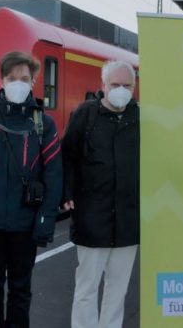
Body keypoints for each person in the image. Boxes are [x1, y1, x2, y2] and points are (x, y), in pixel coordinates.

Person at [0, 51, 63, 328]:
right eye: (12, 78)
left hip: (25, 227)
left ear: (34, 81)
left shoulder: (44, 124)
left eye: (24, 78)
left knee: (21, 292)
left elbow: (54, 177)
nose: (18, 83)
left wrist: (44, 222)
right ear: (2, 80)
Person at [61, 60, 140, 328]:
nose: (121, 90)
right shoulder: (85, 114)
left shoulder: (141, 117)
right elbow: (67, 156)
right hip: (91, 217)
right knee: (86, 289)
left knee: (118, 291)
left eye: (126, 85)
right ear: (103, 86)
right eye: (115, 85)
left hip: (128, 220)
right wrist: (67, 192)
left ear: (134, 86)